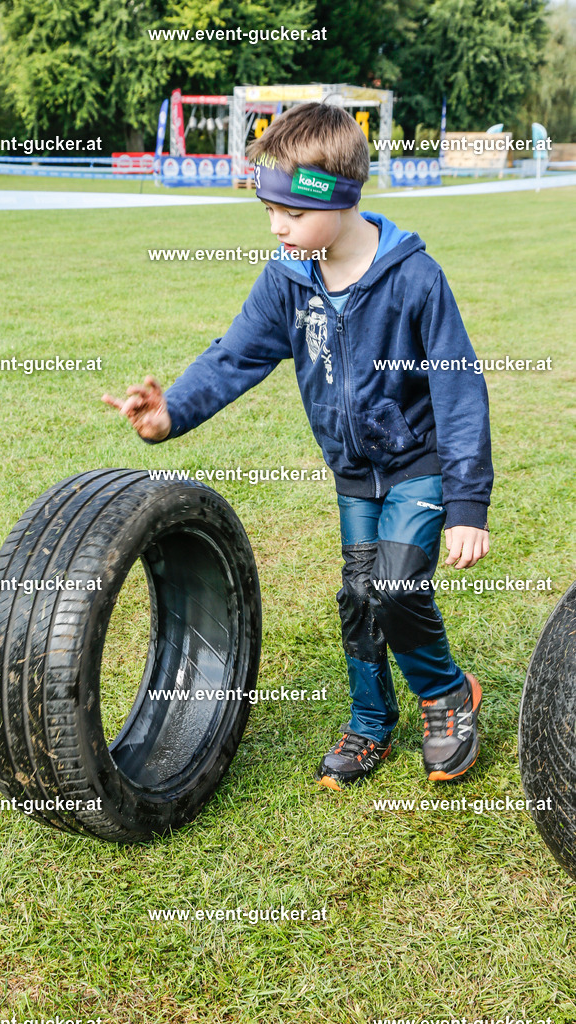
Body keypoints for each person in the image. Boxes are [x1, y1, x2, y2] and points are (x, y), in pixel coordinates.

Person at [102, 102, 492, 789]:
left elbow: (459, 388)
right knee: (360, 596)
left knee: (397, 585)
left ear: (339, 199)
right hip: (353, 474)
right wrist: (172, 413)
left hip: (417, 464)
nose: (277, 227)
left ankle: (447, 695)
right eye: (268, 211)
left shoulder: (414, 279)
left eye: (291, 212)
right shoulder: (288, 278)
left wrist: (466, 504)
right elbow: (235, 356)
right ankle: (370, 721)